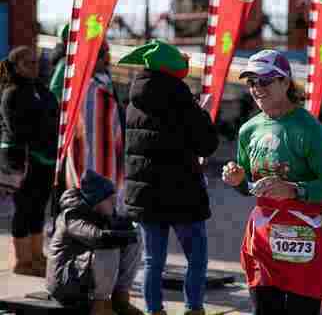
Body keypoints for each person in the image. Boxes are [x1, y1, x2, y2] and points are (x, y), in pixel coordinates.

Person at [222, 49, 322, 315]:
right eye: (251, 82)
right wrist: (238, 180)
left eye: (264, 81)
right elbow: (249, 186)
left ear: (285, 82)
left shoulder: (308, 128)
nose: (256, 89)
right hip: (264, 238)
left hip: (306, 240)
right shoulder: (249, 130)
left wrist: (295, 189)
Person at [119, 40, 219, 315]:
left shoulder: (135, 98)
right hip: (182, 191)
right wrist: (203, 113)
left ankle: (154, 310)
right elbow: (206, 144)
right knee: (196, 258)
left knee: (152, 261)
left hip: (146, 194)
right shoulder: (180, 96)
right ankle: (194, 308)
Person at [46, 169, 143, 315]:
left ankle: (120, 298)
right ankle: (101, 304)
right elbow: (96, 237)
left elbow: (125, 228)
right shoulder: (72, 216)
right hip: (65, 283)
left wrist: (133, 226)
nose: (114, 202)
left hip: (82, 276)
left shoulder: (103, 212)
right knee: (109, 246)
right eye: (110, 199)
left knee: (135, 240)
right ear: (96, 200)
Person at [0, 46, 59, 277]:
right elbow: (17, 130)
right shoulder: (11, 93)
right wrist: (44, 133)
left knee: (38, 208)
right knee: (24, 208)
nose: (34, 67)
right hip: (21, 160)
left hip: (44, 159)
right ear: (16, 67)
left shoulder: (42, 91)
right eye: (28, 63)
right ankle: (22, 260)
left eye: (36, 62)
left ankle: (37, 256)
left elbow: (54, 116)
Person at [53, 39, 125, 191]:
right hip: (85, 139)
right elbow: (58, 94)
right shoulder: (78, 79)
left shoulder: (104, 78)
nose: (108, 60)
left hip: (99, 140)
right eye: (105, 55)